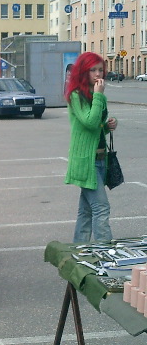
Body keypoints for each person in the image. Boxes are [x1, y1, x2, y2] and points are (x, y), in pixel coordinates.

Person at [64, 52, 117, 243]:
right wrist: (99, 96)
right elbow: (90, 121)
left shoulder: (94, 94)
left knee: (86, 210)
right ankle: (105, 254)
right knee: (101, 208)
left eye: (100, 70)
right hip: (87, 162)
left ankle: (80, 250)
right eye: (92, 70)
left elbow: (97, 128)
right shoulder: (76, 95)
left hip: (101, 160)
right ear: (83, 72)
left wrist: (109, 125)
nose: (97, 74)